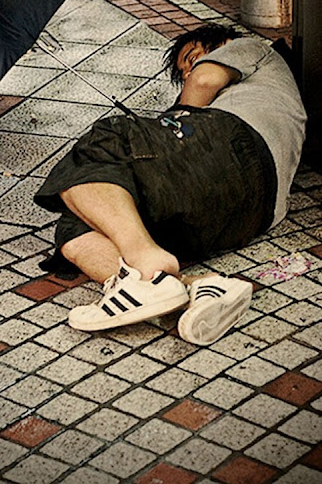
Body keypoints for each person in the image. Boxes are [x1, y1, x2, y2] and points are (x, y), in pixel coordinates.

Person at [34, 23, 306, 345]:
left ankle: (148, 267)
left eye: (192, 56)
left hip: (240, 145)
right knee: (75, 226)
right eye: (186, 68)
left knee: (111, 137)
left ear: (220, 43)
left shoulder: (251, 48)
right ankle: (196, 287)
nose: (191, 70)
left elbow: (204, 81)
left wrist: (166, 119)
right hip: (248, 213)